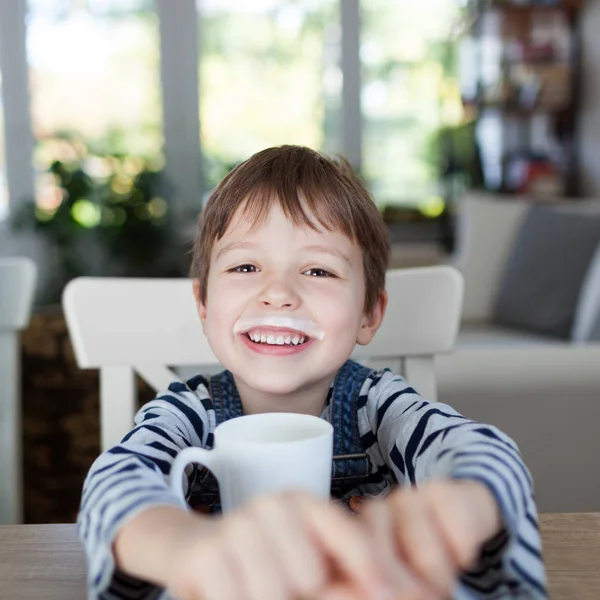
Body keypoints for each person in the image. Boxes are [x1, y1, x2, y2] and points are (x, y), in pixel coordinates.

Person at [78, 145, 546, 600]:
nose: (278, 293)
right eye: (245, 266)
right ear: (203, 304)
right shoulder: (185, 413)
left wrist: (458, 507)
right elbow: (116, 479)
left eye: (319, 271)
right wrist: (185, 547)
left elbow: (484, 453)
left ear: (368, 313)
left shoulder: (380, 407)